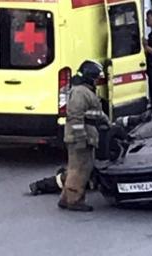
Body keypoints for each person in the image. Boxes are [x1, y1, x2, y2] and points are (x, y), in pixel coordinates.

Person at [29, 113, 150, 196]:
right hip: (98, 165)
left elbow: (121, 122)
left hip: (103, 164)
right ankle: (40, 185)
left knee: (75, 176)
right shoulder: (113, 134)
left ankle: (44, 184)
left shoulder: (113, 131)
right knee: (73, 178)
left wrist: (138, 119)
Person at [58, 60, 110, 212]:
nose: (96, 81)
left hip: (86, 136)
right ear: (89, 77)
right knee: (80, 169)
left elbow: (97, 114)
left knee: (77, 167)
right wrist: (80, 138)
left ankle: (65, 198)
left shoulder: (85, 91)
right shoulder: (80, 92)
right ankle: (74, 200)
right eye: (95, 78)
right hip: (80, 138)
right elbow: (75, 117)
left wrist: (108, 124)